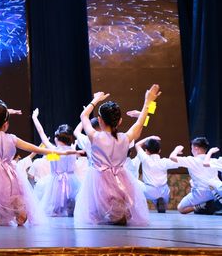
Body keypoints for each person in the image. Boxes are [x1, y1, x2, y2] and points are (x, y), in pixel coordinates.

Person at [0, 99, 77, 226]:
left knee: (0, 204)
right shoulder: (12, 138)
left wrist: (4, 111)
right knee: (13, 200)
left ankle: (4, 216)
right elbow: (37, 149)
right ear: (6, 124)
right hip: (8, 177)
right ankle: (14, 215)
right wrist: (62, 153)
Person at [74, 85, 160, 226]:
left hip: (99, 179)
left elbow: (83, 116)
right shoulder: (126, 138)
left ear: (100, 120)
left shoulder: (94, 137)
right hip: (122, 178)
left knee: (100, 211)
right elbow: (140, 123)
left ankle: (114, 216)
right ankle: (118, 215)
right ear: (120, 121)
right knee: (118, 209)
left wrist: (95, 100)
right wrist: (148, 101)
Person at [30, 108, 80, 217]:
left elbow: (41, 133)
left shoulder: (53, 150)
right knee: (71, 200)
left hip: (57, 181)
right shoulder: (73, 149)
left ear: (57, 138)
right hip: (72, 179)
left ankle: (58, 211)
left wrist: (35, 118)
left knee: (55, 203)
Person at [170, 137, 222, 214]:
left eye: (192, 148)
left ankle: (201, 205)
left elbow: (172, 157)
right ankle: (213, 202)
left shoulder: (191, 160)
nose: (191, 150)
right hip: (214, 192)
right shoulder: (213, 161)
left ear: (196, 148)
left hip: (200, 193)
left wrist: (177, 149)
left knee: (181, 208)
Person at [135, 135, 178, 213]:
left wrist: (150, 137)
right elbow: (178, 163)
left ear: (146, 151)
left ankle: (136, 207)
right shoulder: (165, 161)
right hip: (164, 192)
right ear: (159, 150)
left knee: (132, 181)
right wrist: (176, 151)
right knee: (158, 196)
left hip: (149, 191)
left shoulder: (145, 158)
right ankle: (160, 201)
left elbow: (137, 145)